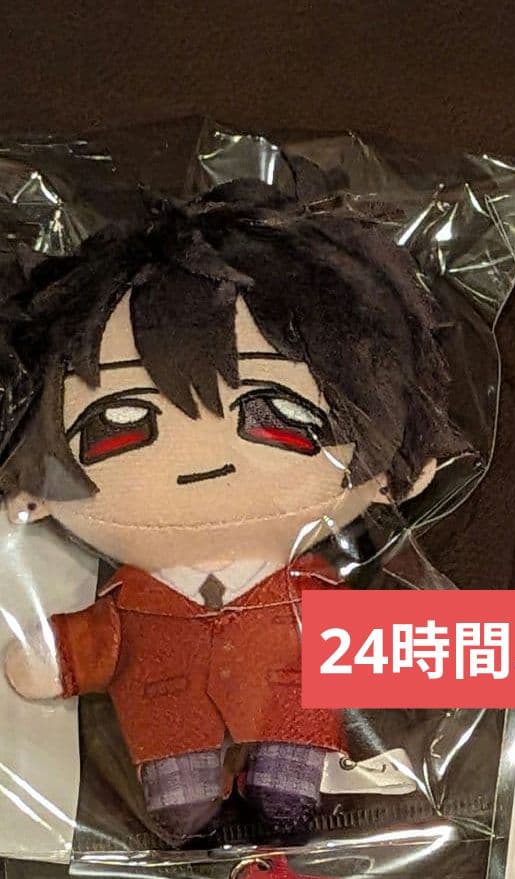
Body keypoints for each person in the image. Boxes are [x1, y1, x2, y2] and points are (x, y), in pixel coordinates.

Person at [1, 181, 459, 842]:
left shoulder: (312, 590)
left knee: (289, 781)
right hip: (168, 731)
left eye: (276, 413)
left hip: (298, 719)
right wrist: (57, 657)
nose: (205, 458)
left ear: (390, 474)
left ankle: (283, 776)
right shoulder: (131, 601)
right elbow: (95, 642)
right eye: (122, 422)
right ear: (32, 486)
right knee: (181, 800)